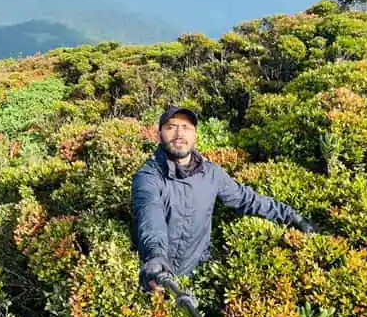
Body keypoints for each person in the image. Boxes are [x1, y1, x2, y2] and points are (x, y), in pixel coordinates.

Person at [132, 105, 317, 292]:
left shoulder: (212, 173)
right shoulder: (148, 177)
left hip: (198, 277)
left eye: (186, 127)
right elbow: (151, 220)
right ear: (159, 134)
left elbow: (247, 199)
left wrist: (293, 218)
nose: (179, 133)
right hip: (158, 276)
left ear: (195, 135)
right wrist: (156, 256)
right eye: (171, 127)